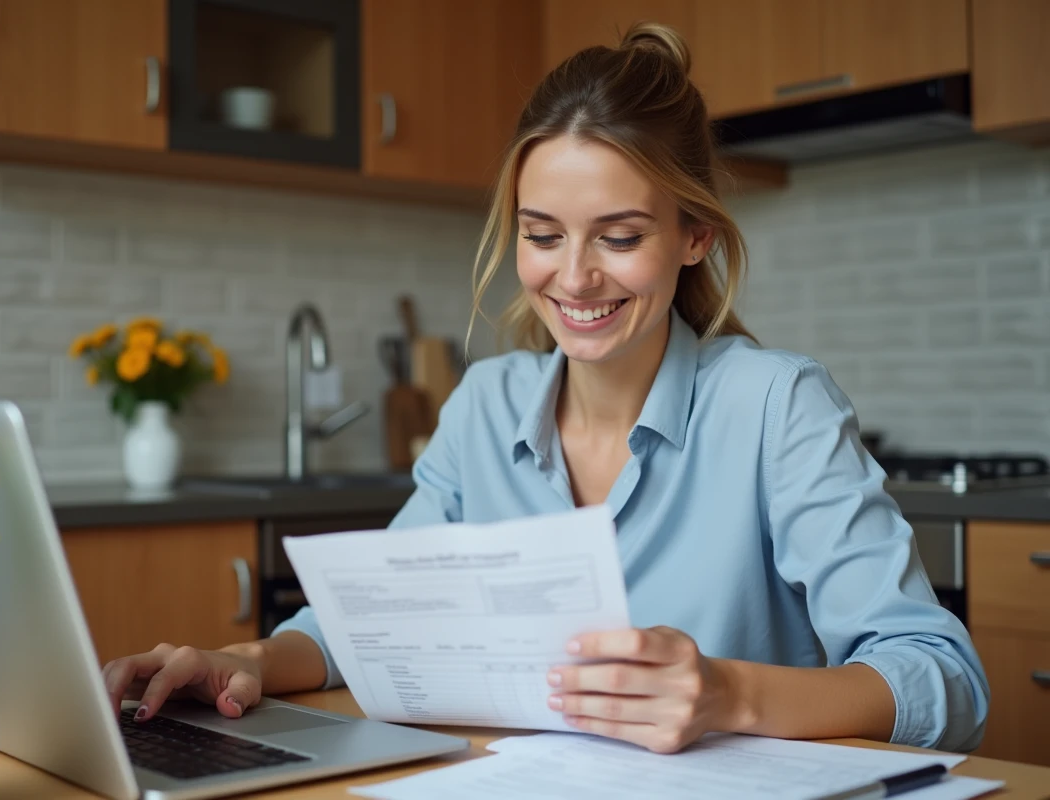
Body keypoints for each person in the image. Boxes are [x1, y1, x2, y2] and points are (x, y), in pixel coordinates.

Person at [102, 22, 989, 755]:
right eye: (543, 233)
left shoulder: (774, 404)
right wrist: (244, 658)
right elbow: (371, 628)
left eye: (619, 235)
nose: (575, 277)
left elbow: (942, 675)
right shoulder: (484, 406)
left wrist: (729, 695)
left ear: (694, 239)